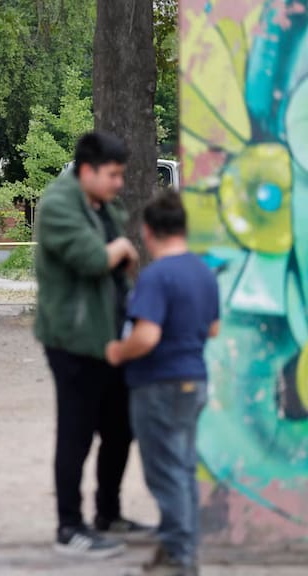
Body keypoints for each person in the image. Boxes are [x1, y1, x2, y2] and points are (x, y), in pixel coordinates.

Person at [34, 131, 151, 557]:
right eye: (113, 175)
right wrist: (120, 246)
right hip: (74, 341)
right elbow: (91, 258)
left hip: (110, 338)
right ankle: (69, 527)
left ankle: (108, 513)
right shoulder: (59, 205)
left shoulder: (99, 203)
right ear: (87, 171)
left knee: (121, 428)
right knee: (76, 433)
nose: (120, 183)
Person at [106, 193, 219, 576]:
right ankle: (182, 546)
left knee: (164, 472)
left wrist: (119, 352)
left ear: (148, 231)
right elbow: (214, 327)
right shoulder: (203, 272)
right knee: (183, 467)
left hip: (159, 384)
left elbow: (147, 336)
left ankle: (179, 558)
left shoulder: (157, 275)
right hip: (195, 381)